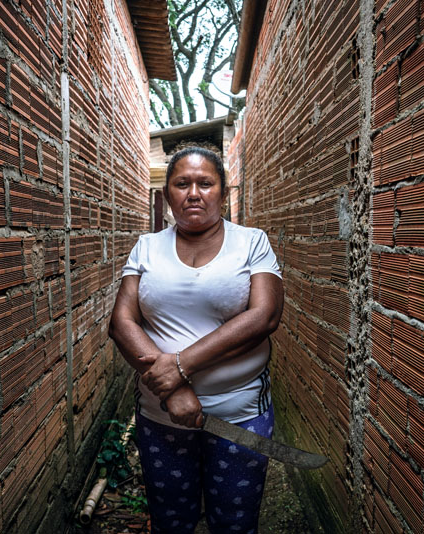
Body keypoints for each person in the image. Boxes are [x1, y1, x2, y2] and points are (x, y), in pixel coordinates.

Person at [109, 146, 284, 534]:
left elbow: (265, 316)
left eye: (205, 183)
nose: (193, 193)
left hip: (239, 417)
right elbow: (121, 322)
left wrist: (180, 367)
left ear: (222, 192)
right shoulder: (147, 247)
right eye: (181, 183)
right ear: (167, 194)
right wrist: (171, 391)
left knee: (235, 524)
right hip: (161, 417)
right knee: (171, 522)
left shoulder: (252, 242)